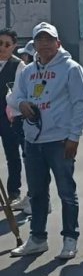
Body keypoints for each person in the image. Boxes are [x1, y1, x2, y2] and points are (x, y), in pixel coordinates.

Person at [9, 22, 83, 259]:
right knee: (36, 193)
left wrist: (74, 137)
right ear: (33, 44)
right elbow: (15, 98)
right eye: (39, 40)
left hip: (60, 140)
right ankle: (37, 238)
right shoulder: (27, 71)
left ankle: (70, 239)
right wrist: (22, 103)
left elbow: (82, 104)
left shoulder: (71, 68)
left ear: (58, 43)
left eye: (49, 39)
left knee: (66, 191)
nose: (44, 44)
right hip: (33, 140)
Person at [0, 29, 27, 210]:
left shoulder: (19, 66)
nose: (2, 48)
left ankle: (13, 192)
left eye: (7, 44)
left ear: (14, 46)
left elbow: (20, 94)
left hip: (9, 117)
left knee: (12, 155)